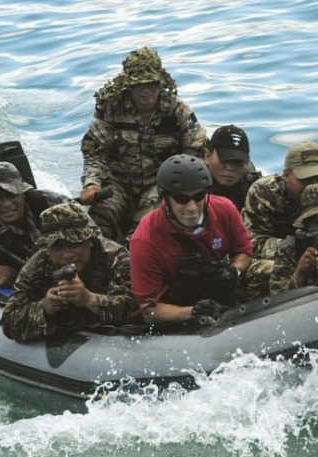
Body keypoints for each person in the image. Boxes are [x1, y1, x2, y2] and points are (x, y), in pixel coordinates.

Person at [79, 47, 207, 242]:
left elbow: (194, 153)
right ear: (128, 86)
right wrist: (92, 184)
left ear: (160, 82)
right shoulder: (112, 109)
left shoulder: (177, 111)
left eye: (152, 83)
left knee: (147, 225)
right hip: (118, 183)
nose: (146, 90)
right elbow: (96, 152)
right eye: (139, 85)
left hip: (159, 183)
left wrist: (176, 187)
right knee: (99, 218)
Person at [129, 154, 253, 325]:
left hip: (218, 284)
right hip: (175, 301)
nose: (192, 207)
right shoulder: (144, 240)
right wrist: (192, 312)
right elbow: (148, 310)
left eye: (199, 196)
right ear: (165, 197)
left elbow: (244, 251)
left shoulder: (225, 208)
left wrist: (234, 271)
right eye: (182, 199)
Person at [1, 203, 136, 341]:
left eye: (75, 244)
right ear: (48, 249)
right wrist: (45, 308)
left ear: (90, 240)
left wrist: (90, 300)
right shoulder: (37, 265)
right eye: (58, 247)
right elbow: (9, 323)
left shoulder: (116, 257)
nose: (68, 255)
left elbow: (136, 309)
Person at [242, 140, 318, 298]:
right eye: (306, 180)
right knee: (264, 269)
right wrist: (297, 247)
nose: (313, 186)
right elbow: (252, 243)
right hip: (278, 258)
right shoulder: (264, 192)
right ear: (286, 175)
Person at [204, 125, 261, 211]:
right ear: (207, 156)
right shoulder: (191, 183)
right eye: (224, 160)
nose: (230, 168)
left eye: (237, 162)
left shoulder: (254, 188)